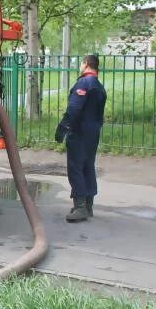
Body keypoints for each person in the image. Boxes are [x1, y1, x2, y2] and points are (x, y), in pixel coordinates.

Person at [54, 54, 107, 222]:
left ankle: (80, 207)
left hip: (80, 132)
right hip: (93, 132)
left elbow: (74, 108)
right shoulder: (99, 86)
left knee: (76, 167)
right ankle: (88, 205)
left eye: (81, 64)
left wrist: (63, 127)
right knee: (87, 166)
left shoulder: (84, 83)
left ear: (85, 64)